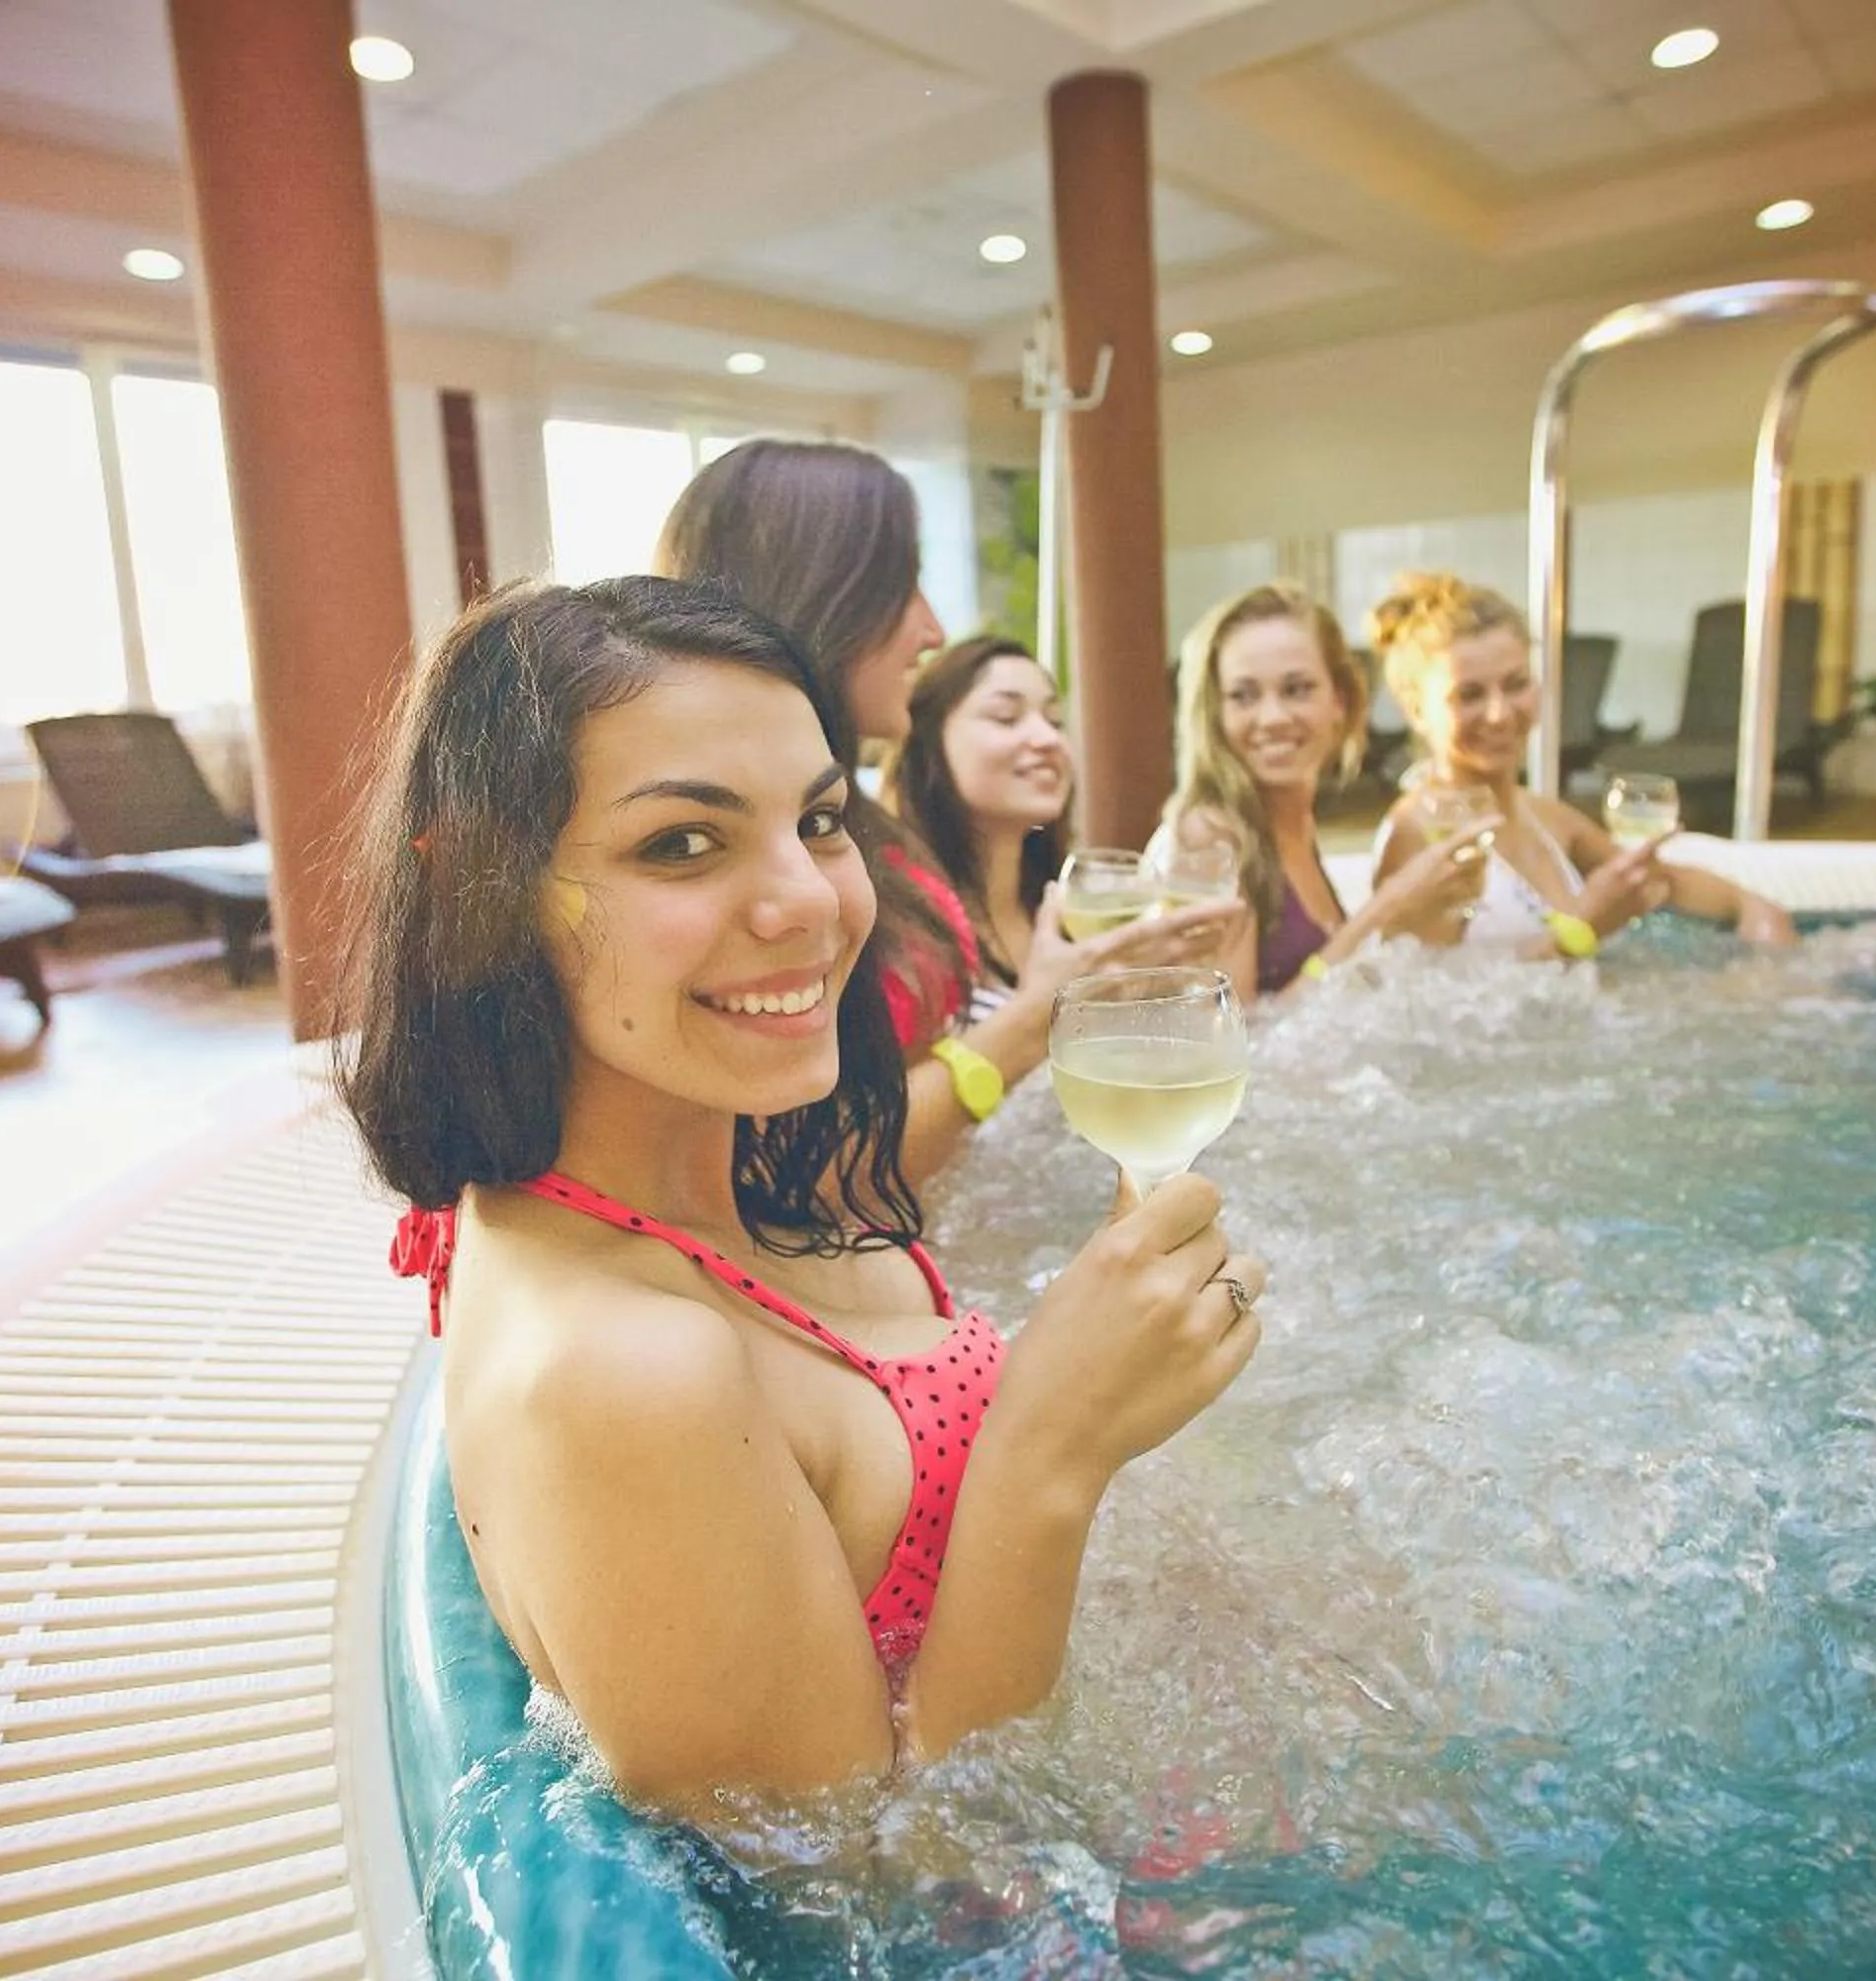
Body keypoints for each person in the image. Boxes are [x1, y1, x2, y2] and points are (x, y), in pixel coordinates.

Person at [348, 576, 1265, 1813]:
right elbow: (876, 1876)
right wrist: (1056, 1442)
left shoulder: (716, 1165)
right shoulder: (618, 1370)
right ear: (483, 890)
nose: (813, 904)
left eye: (821, 821)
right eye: (682, 841)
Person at [661, 443, 1226, 1179]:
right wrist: (1033, 1022)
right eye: (905, 588)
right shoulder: (749, 864)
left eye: (1054, 717)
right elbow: (779, 1169)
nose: (931, 631)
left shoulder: (864, 832)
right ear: (823, 594)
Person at [1363, 574, 1795, 958]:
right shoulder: (1421, 835)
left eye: (1516, 685)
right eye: (1469, 695)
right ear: (1416, 709)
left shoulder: (1544, 817)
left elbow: (1661, 881)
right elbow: (1434, 1009)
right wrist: (1583, 932)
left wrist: (1754, 908)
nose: (1499, 714)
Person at [891, 630, 1245, 1010]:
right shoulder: (907, 919)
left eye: (1055, 721)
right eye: (1006, 717)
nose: (1047, 739)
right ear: (927, 741)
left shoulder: (1070, 908)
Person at [1160, 582, 1485, 993]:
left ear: (1341, 700)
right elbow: (1233, 1042)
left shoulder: (1294, 821)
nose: (1273, 716)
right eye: (1243, 695)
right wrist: (1385, 912)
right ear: (1214, 712)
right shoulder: (1209, 835)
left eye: (1296, 689)